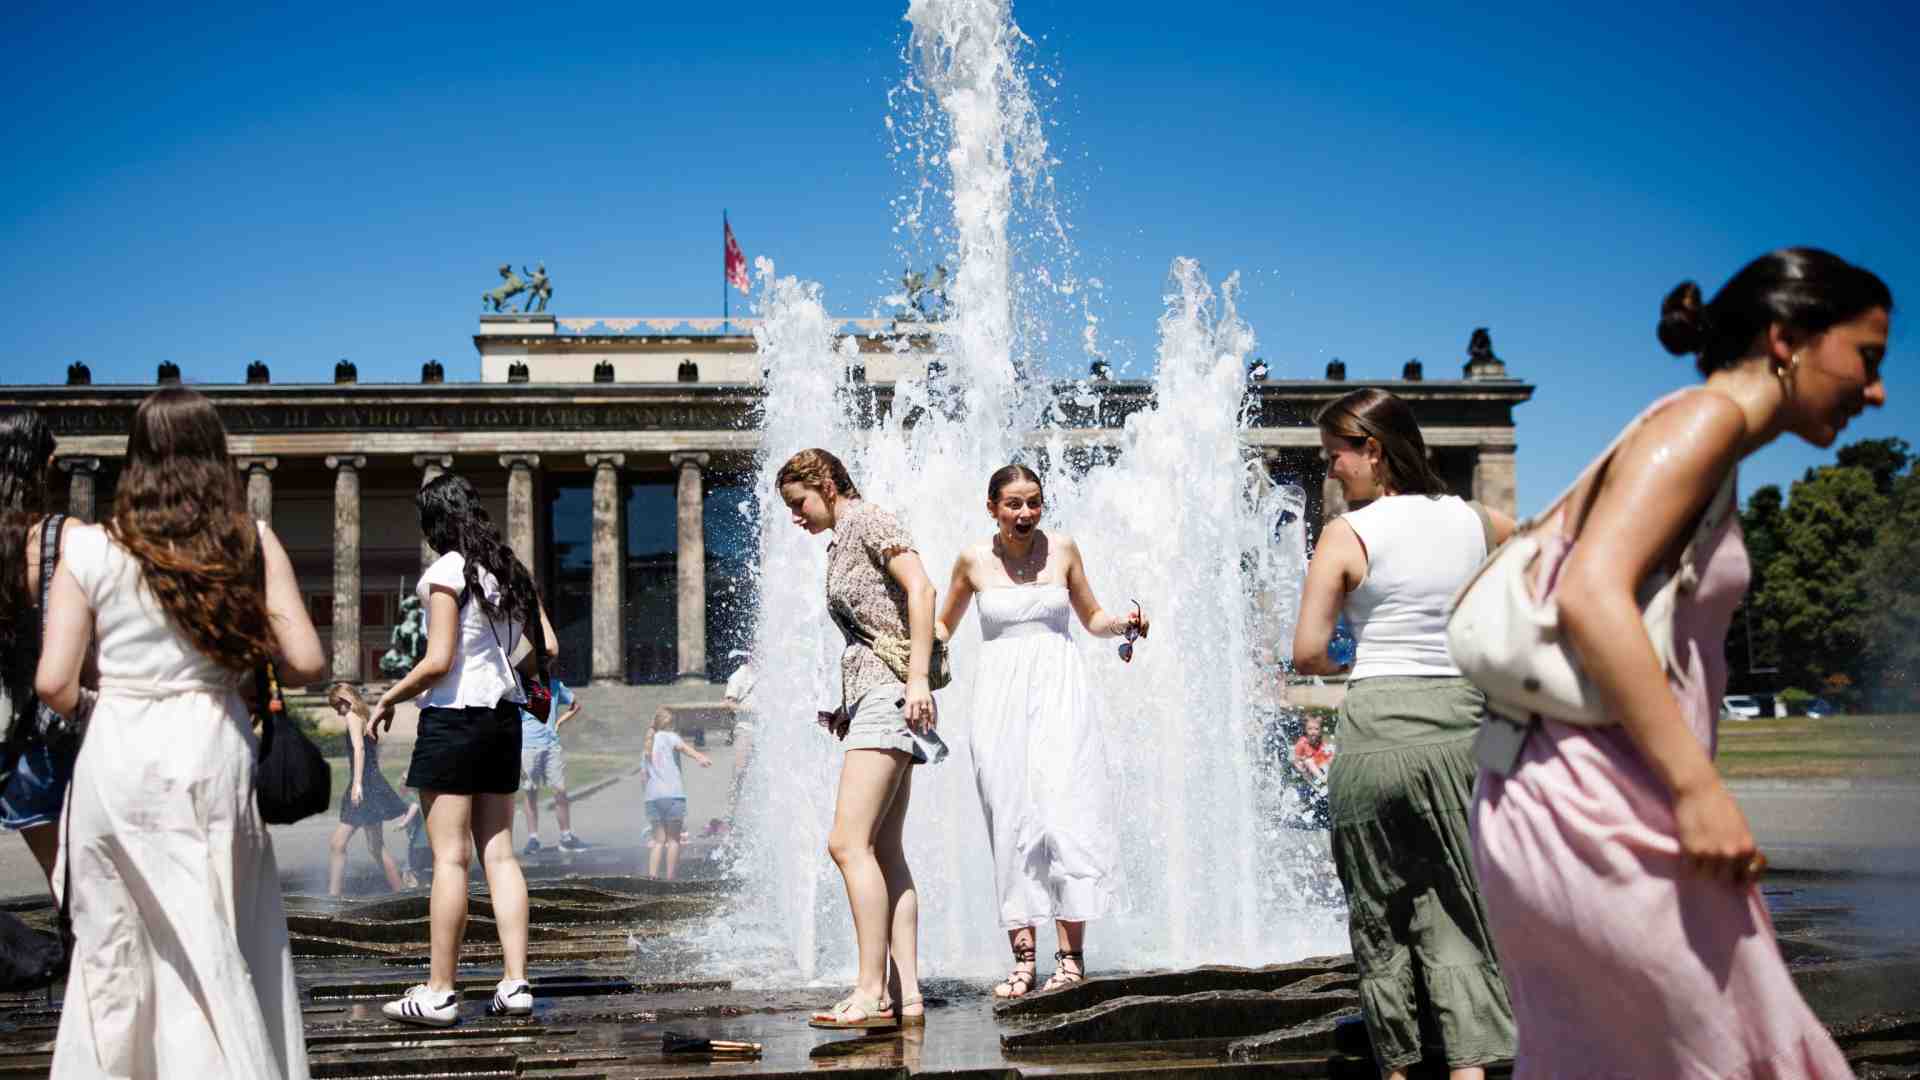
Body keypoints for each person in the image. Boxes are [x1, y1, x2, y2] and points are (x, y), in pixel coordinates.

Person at [1470, 248, 1887, 1077]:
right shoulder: (1704, 422)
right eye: (1866, 358)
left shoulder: (1701, 435)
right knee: (1733, 1052)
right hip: (1591, 796)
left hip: (1566, 788)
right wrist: (1697, 790)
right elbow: (1592, 593)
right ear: (1788, 338)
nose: (1874, 391)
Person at [35, 387, 328, 1078]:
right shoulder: (248, 538)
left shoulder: (89, 547)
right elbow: (308, 662)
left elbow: (53, 681)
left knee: (113, 949)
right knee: (215, 937)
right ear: (213, 455)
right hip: (207, 745)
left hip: (118, 749)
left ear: (134, 459)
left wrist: (98, 707)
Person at [1292, 387, 1518, 1079]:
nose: (1331, 471)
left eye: (1336, 456)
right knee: (1459, 903)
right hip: (1459, 723)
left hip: (1375, 727)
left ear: (1374, 451)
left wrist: (1351, 659)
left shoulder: (1347, 533)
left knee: (1379, 911)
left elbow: (1307, 652)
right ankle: (1471, 1068)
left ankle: (1398, 1068)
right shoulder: (1486, 521)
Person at [935, 463, 1139, 998]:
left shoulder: (1064, 549)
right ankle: (1023, 961)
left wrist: (1121, 625)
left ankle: (1071, 960)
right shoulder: (971, 561)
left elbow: (1091, 617)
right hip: (999, 702)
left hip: (1060, 695)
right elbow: (942, 627)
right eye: (1014, 504)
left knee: (1068, 819)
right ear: (992, 507)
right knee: (1012, 823)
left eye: (1034, 503)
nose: (1025, 513)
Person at [369, 472, 559, 1028]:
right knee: (500, 855)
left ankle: (440, 991)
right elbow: (545, 646)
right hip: (503, 720)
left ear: (435, 522)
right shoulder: (509, 571)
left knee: (450, 858)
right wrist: (505, 662)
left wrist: (387, 697)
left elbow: (438, 660)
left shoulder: (446, 572)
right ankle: (516, 983)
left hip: (453, 721)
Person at [777, 447, 944, 1030]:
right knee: (884, 850)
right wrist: (848, 707)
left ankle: (869, 990)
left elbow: (921, 590)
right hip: (880, 698)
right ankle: (909, 994)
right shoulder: (843, 539)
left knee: (847, 844)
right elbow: (876, 630)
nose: (795, 517)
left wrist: (918, 679)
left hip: (894, 695)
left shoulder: (869, 520)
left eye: (798, 503)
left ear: (825, 481)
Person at [0, 410, 75, 894]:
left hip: (8, 742)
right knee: (85, 890)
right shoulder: (64, 537)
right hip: (59, 730)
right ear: (46, 464)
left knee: (62, 884)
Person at [325, 683, 411, 896]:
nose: (337, 712)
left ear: (345, 700)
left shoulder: (353, 717)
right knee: (376, 847)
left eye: (337, 707)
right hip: (372, 782)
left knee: (337, 843)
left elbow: (360, 749)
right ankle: (400, 892)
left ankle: (333, 897)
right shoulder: (365, 717)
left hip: (364, 785)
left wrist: (357, 784)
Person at [520, 666, 585, 854]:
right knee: (530, 791)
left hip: (551, 745)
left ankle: (566, 836)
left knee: (560, 790)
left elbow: (575, 705)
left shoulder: (556, 686)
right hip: (527, 745)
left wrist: (558, 722)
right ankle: (533, 838)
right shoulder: (522, 688)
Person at [642, 706, 711, 880]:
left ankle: (652, 877)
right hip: (673, 796)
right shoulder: (670, 737)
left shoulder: (647, 745)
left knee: (659, 841)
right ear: (671, 724)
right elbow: (684, 748)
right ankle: (670, 878)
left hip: (653, 798)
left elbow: (644, 777)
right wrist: (700, 757)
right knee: (673, 840)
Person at [719, 650, 757, 825]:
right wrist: (749, 710)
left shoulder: (771, 673)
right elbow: (728, 702)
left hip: (765, 730)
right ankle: (730, 814)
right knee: (740, 770)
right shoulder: (740, 674)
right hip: (746, 729)